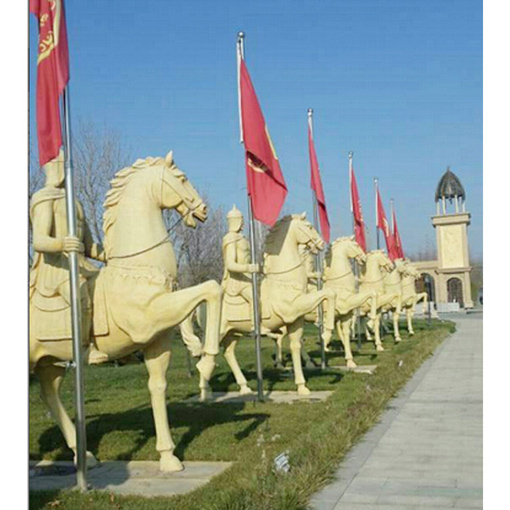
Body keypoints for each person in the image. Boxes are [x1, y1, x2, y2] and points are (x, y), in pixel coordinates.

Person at [30, 150, 107, 363]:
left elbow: (89, 247)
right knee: (79, 294)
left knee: (109, 287)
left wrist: (112, 254)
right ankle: (83, 348)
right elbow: (39, 240)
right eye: (63, 164)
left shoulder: (76, 202)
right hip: (56, 268)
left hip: (81, 264)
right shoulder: (44, 198)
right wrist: (61, 243)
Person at [221, 205, 259, 305]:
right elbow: (230, 265)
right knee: (255, 299)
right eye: (241, 220)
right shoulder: (231, 238)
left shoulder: (242, 238)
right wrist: (248, 268)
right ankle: (253, 316)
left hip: (248, 278)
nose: (243, 223)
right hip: (237, 281)